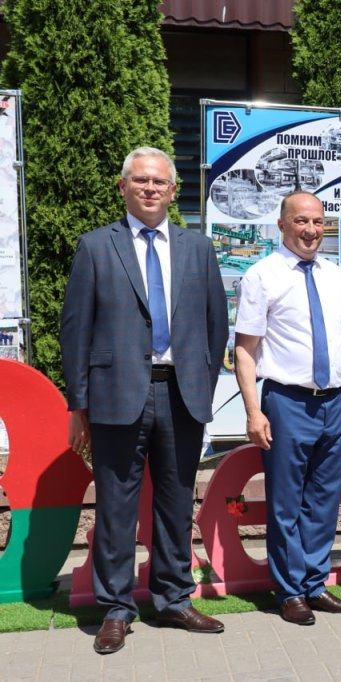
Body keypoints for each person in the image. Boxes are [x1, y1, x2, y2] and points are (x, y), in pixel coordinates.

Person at [60, 147, 229, 654]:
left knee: (177, 504)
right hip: (116, 395)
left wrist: (201, 379)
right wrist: (78, 404)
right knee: (116, 506)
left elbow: (215, 323)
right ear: (123, 187)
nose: (151, 189)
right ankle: (116, 607)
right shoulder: (95, 247)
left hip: (182, 393)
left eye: (160, 182)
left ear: (174, 190)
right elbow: (76, 330)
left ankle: (174, 598)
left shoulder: (198, 248)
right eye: (141, 181)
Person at [233, 191, 341, 624]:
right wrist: (253, 411)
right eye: (301, 221)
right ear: (282, 225)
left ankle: (314, 584)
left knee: (324, 501)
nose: (311, 230)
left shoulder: (335, 275)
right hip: (286, 402)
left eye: (318, 222)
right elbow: (245, 350)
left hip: (333, 401)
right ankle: (289, 592)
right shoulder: (261, 275)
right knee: (286, 503)